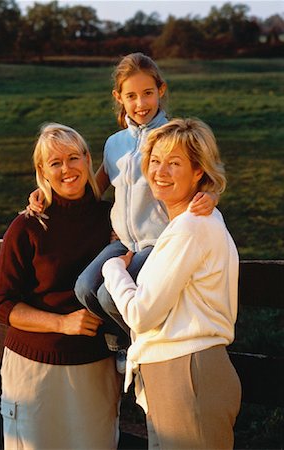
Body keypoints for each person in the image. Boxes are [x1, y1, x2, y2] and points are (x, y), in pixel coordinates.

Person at [27, 53, 217, 362]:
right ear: (119, 98)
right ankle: (128, 338)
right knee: (86, 288)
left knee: (108, 294)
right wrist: (45, 193)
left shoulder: (171, 137)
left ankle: (136, 346)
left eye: (148, 93)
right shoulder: (114, 143)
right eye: (131, 96)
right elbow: (94, 187)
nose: (141, 103)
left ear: (161, 90)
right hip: (123, 241)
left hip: (159, 240)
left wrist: (211, 196)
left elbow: (204, 176)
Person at [102, 117, 242, 450]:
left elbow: (141, 314)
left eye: (174, 163)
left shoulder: (191, 228)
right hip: (177, 373)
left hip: (189, 374)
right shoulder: (189, 224)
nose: (160, 171)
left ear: (199, 172)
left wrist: (112, 270)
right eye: (155, 161)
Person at [0, 123, 121, 450]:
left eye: (73, 158)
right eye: (55, 162)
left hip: (94, 366)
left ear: (88, 159)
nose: (66, 169)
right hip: (34, 369)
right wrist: (61, 322)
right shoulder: (28, 226)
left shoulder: (113, 219)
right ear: (41, 171)